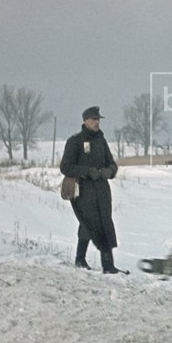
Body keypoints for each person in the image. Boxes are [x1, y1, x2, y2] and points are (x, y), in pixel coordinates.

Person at [60, 106, 120, 273]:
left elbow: (112, 163)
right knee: (88, 223)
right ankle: (80, 259)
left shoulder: (101, 140)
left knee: (105, 224)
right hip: (84, 191)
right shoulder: (75, 141)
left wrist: (110, 171)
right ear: (85, 121)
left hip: (102, 189)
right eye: (94, 119)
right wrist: (87, 172)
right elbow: (66, 167)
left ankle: (108, 266)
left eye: (98, 119)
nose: (97, 122)